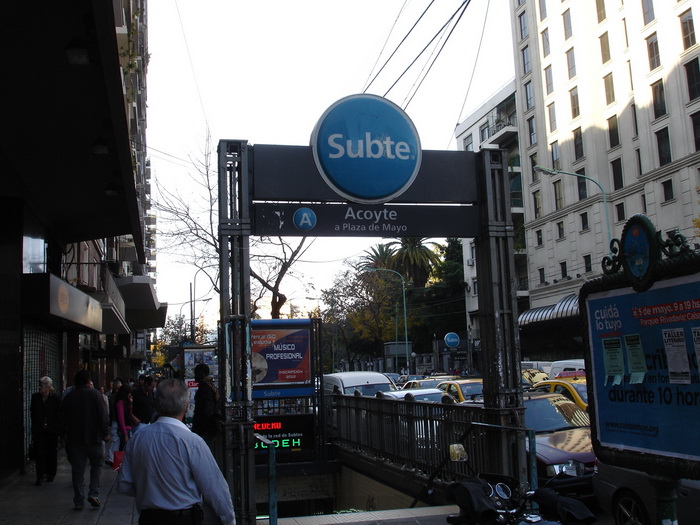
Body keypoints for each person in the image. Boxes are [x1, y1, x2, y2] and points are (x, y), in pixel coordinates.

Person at [117, 378, 235, 525]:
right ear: (186, 406)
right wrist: (229, 519)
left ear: (157, 403)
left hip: (149, 518)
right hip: (184, 518)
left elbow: (124, 484)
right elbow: (215, 489)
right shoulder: (192, 442)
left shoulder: (138, 439)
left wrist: (150, 490)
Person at [61, 369, 110, 510]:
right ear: (88, 381)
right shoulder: (95, 395)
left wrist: (61, 436)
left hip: (75, 440)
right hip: (93, 439)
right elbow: (103, 416)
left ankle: (78, 500)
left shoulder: (70, 397)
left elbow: (62, 417)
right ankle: (94, 492)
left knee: (77, 470)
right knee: (97, 465)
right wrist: (105, 433)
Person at [30, 376, 61, 486]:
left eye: (42, 385)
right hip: (39, 431)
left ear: (48, 387)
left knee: (51, 452)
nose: (40, 388)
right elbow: (33, 414)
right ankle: (40, 475)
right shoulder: (35, 398)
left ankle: (50, 473)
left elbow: (59, 415)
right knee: (40, 453)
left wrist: (57, 429)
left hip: (51, 431)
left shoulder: (55, 398)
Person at [192, 363, 220, 451]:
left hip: (204, 429)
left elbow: (206, 410)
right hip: (208, 429)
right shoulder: (210, 386)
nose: (194, 376)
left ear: (201, 373)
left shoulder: (204, 389)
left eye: (196, 373)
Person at [106, 377, 123, 464]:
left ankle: (113, 459)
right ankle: (112, 459)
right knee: (115, 440)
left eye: (118, 388)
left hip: (119, 422)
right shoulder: (113, 398)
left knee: (117, 441)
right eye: (115, 388)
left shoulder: (121, 398)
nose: (117, 390)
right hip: (116, 421)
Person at [113, 384, 134, 451]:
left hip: (128, 427)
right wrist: (125, 434)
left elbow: (130, 414)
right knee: (122, 449)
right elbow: (121, 419)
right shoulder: (120, 403)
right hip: (124, 429)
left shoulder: (126, 403)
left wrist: (130, 404)